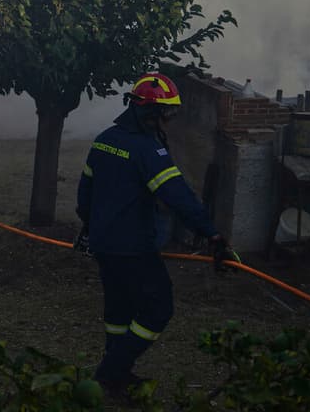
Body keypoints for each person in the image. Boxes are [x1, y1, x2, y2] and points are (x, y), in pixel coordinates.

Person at [76, 72, 231, 399]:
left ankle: (116, 377)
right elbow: (179, 198)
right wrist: (212, 234)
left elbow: (85, 192)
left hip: (103, 245)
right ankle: (110, 372)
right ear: (148, 111)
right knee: (158, 309)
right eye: (167, 112)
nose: (169, 119)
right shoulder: (148, 150)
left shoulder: (104, 139)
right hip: (133, 247)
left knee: (119, 312)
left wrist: (89, 228)